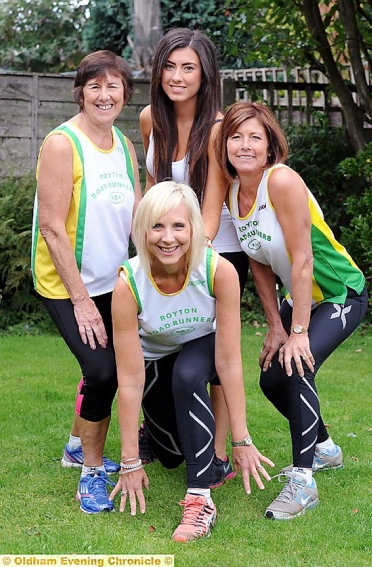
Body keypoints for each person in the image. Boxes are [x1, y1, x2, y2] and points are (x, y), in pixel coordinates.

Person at [214, 101, 368, 520]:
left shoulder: (281, 181)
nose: (244, 145)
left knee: (298, 365)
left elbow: (302, 261)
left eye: (255, 138)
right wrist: (275, 327)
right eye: (236, 136)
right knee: (269, 378)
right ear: (225, 143)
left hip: (340, 292)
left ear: (270, 146)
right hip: (296, 298)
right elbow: (260, 264)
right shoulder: (232, 192)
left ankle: (304, 481)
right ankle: (325, 449)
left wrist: (297, 332)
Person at [109, 180, 274, 541]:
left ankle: (200, 500)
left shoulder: (218, 270)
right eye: (158, 226)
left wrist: (241, 439)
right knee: (171, 456)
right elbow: (131, 380)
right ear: (143, 230)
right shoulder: (128, 284)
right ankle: (160, 440)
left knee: (187, 375)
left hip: (203, 348)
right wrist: (129, 460)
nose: (168, 238)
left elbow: (229, 363)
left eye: (178, 226)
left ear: (194, 229)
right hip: (156, 360)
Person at [31, 50, 142, 514]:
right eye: (94, 86)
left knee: (113, 365)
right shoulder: (62, 144)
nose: (104, 94)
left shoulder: (125, 144)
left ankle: (77, 445)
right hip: (66, 284)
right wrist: (80, 300)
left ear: (125, 94)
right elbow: (54, 228)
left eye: (113, 86)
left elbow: (136, 218)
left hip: (110, 280)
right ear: (81, 92)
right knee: (102, 372)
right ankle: (90, 473)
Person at [138, 27, 249, 486]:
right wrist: (148, 253)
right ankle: (158, 430)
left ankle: (219, 452)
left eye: (189, 68)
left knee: (217, 359)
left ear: (206, 75)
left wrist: (186, 261)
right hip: (169, 246)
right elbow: (153, 192)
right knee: (165, 345)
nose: (177, 76)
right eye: (170, 66)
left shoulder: (219, 127)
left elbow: (212, 203)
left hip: (214, 252)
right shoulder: (150, 119)